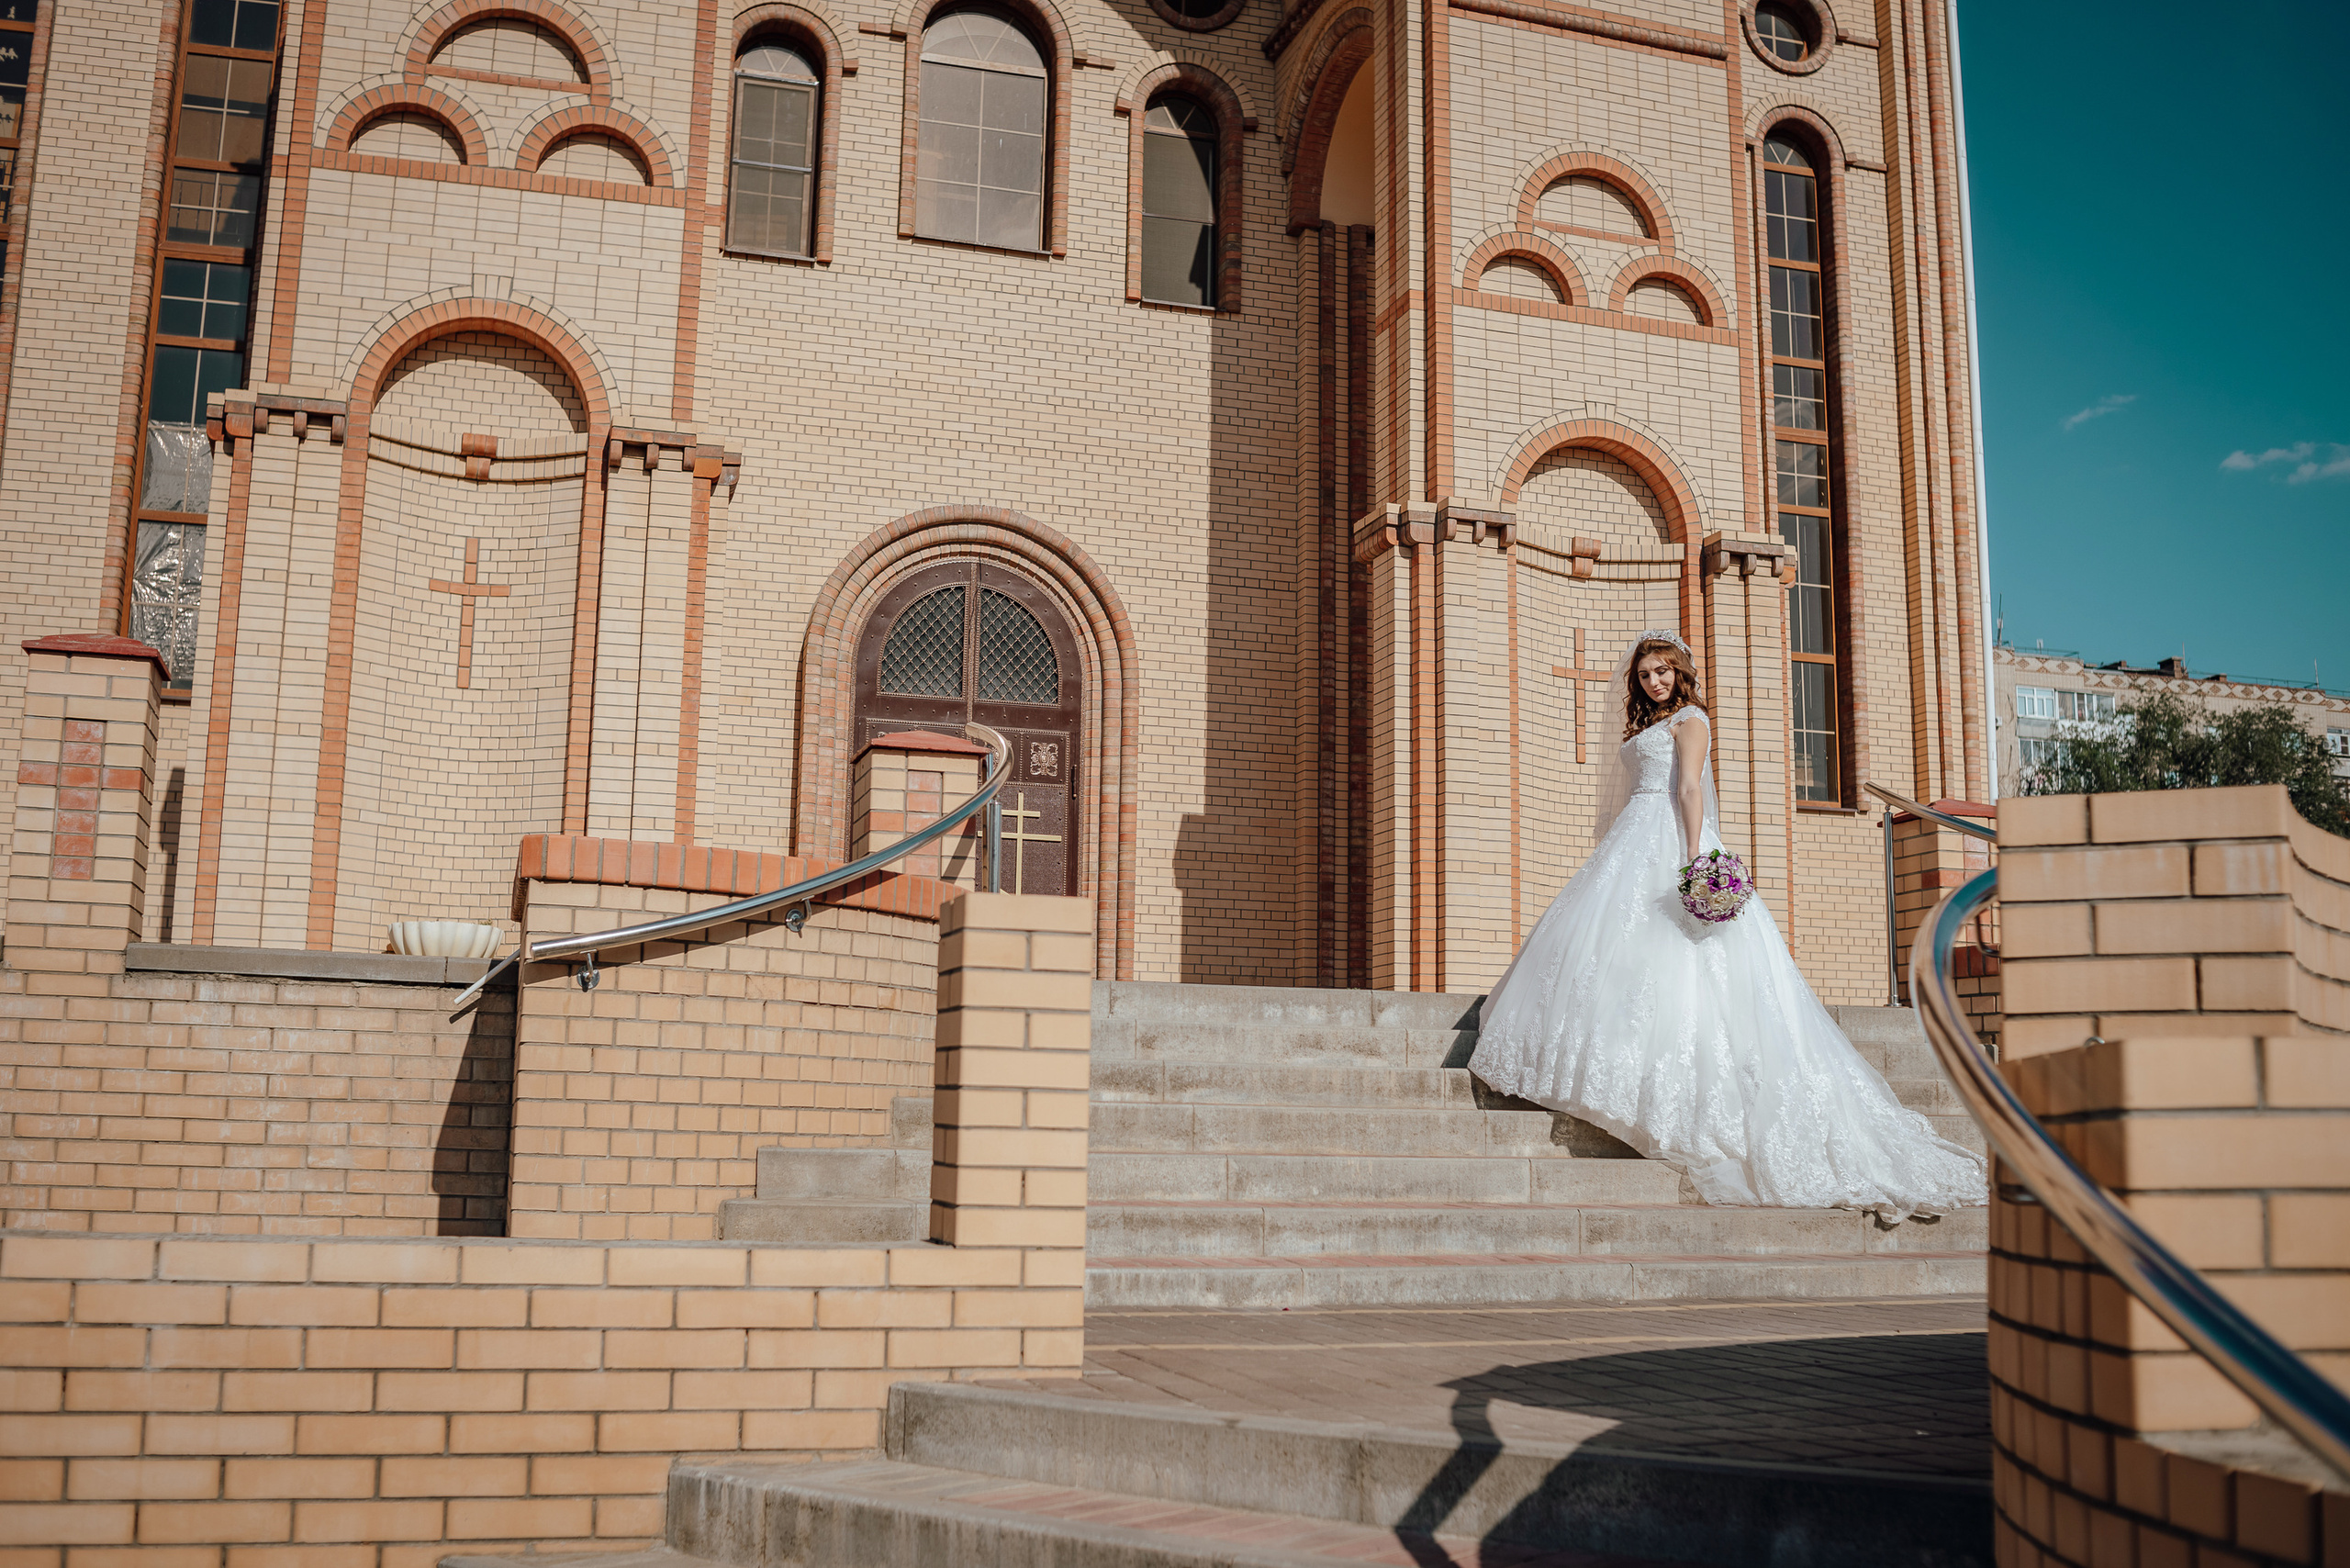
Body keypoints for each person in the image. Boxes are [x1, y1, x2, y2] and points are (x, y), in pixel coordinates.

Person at [1469, 631, 1986, 1219]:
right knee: (1616, 963)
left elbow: (1689, 789)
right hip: (1631, 841)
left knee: (1688, 967)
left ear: (1680, 672)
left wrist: (1693, 863)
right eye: (1645, 676)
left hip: (1674, 840)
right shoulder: (1645, 728)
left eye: (1662, 672)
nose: (1654, 682)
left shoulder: (1691, 719)